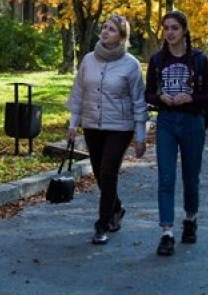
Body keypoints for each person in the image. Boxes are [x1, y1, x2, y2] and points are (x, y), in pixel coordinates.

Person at [66, 14, 148, 245]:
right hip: (92, 125)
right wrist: (73, 124)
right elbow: (79, 93)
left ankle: (102, 225)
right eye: (104, 28)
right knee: (101, 174)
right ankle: (117, 208)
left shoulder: (131, 65)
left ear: (122, 37)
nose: (105, 32)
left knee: (108, 172)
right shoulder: (88, 60)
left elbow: (138, 101)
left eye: (111, 29)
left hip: (120, 128)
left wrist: (140, 137)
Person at [145, 9, 208, 257]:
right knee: (166, 177)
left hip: (192, 121)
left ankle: (190, 218)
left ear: (184, 30)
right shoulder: (157, 61)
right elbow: (149, 94)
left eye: (174, 28)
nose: (170, 33)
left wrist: (191, 97)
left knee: (190, 177)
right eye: (166, 28)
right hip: (166, 120)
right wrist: (160, 97)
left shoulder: (198, 59)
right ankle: (166, 233)